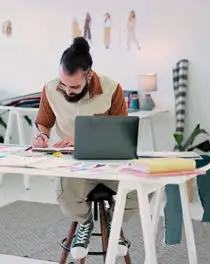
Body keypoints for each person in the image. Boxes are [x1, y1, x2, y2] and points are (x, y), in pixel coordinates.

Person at [34, 37, 139, 260]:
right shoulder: (51, 89)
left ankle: (113, 222)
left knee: (137, 193)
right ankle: (85, 222)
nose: (68, 91)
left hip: (110, 161)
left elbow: (122, 131)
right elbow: (44, 121)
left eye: (74, 86)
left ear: (89, 75)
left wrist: (80, 138)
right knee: (64, 196)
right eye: (64, 84)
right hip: (75, 165)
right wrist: (42, 135)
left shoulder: (111, 88)